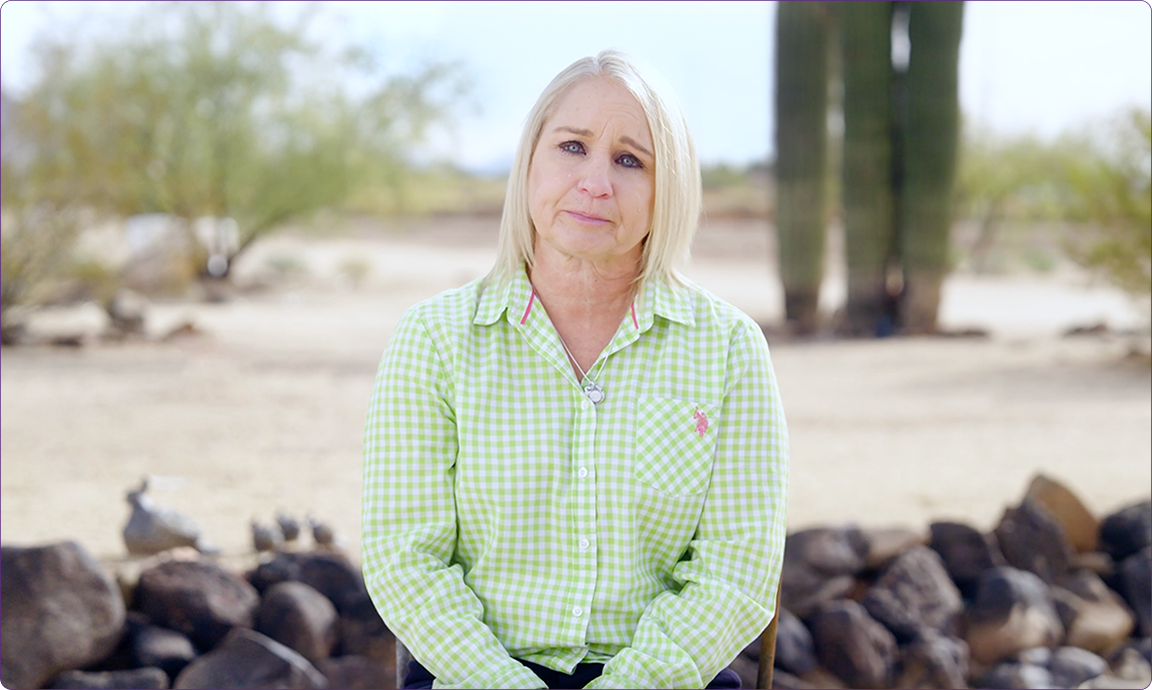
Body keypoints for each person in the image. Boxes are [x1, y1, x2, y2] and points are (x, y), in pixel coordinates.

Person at [362, 50, 788, 689]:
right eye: (572, 147)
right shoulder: (434, 339)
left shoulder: (728, 348)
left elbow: (737, 570)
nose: (595, 182)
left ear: (667, 188)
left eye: (629, 160)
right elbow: (406, 560)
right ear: (530, 162)